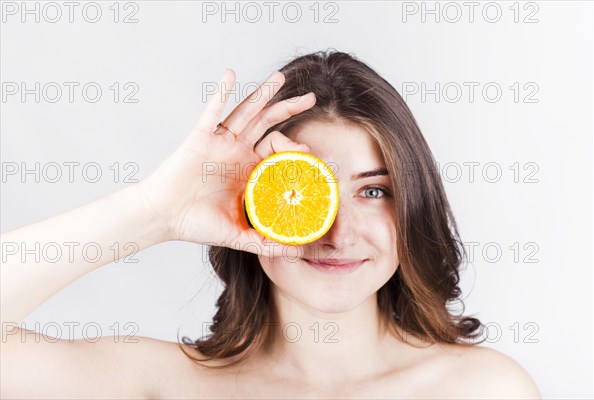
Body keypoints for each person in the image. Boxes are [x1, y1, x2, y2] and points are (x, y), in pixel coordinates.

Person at [1, 50, 541, 399]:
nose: (339, 233)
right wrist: (155, 212)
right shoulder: (162, 385)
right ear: (254, 203)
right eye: (306, 194)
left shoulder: (484, 388)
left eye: (374, 191)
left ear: (414, 206)